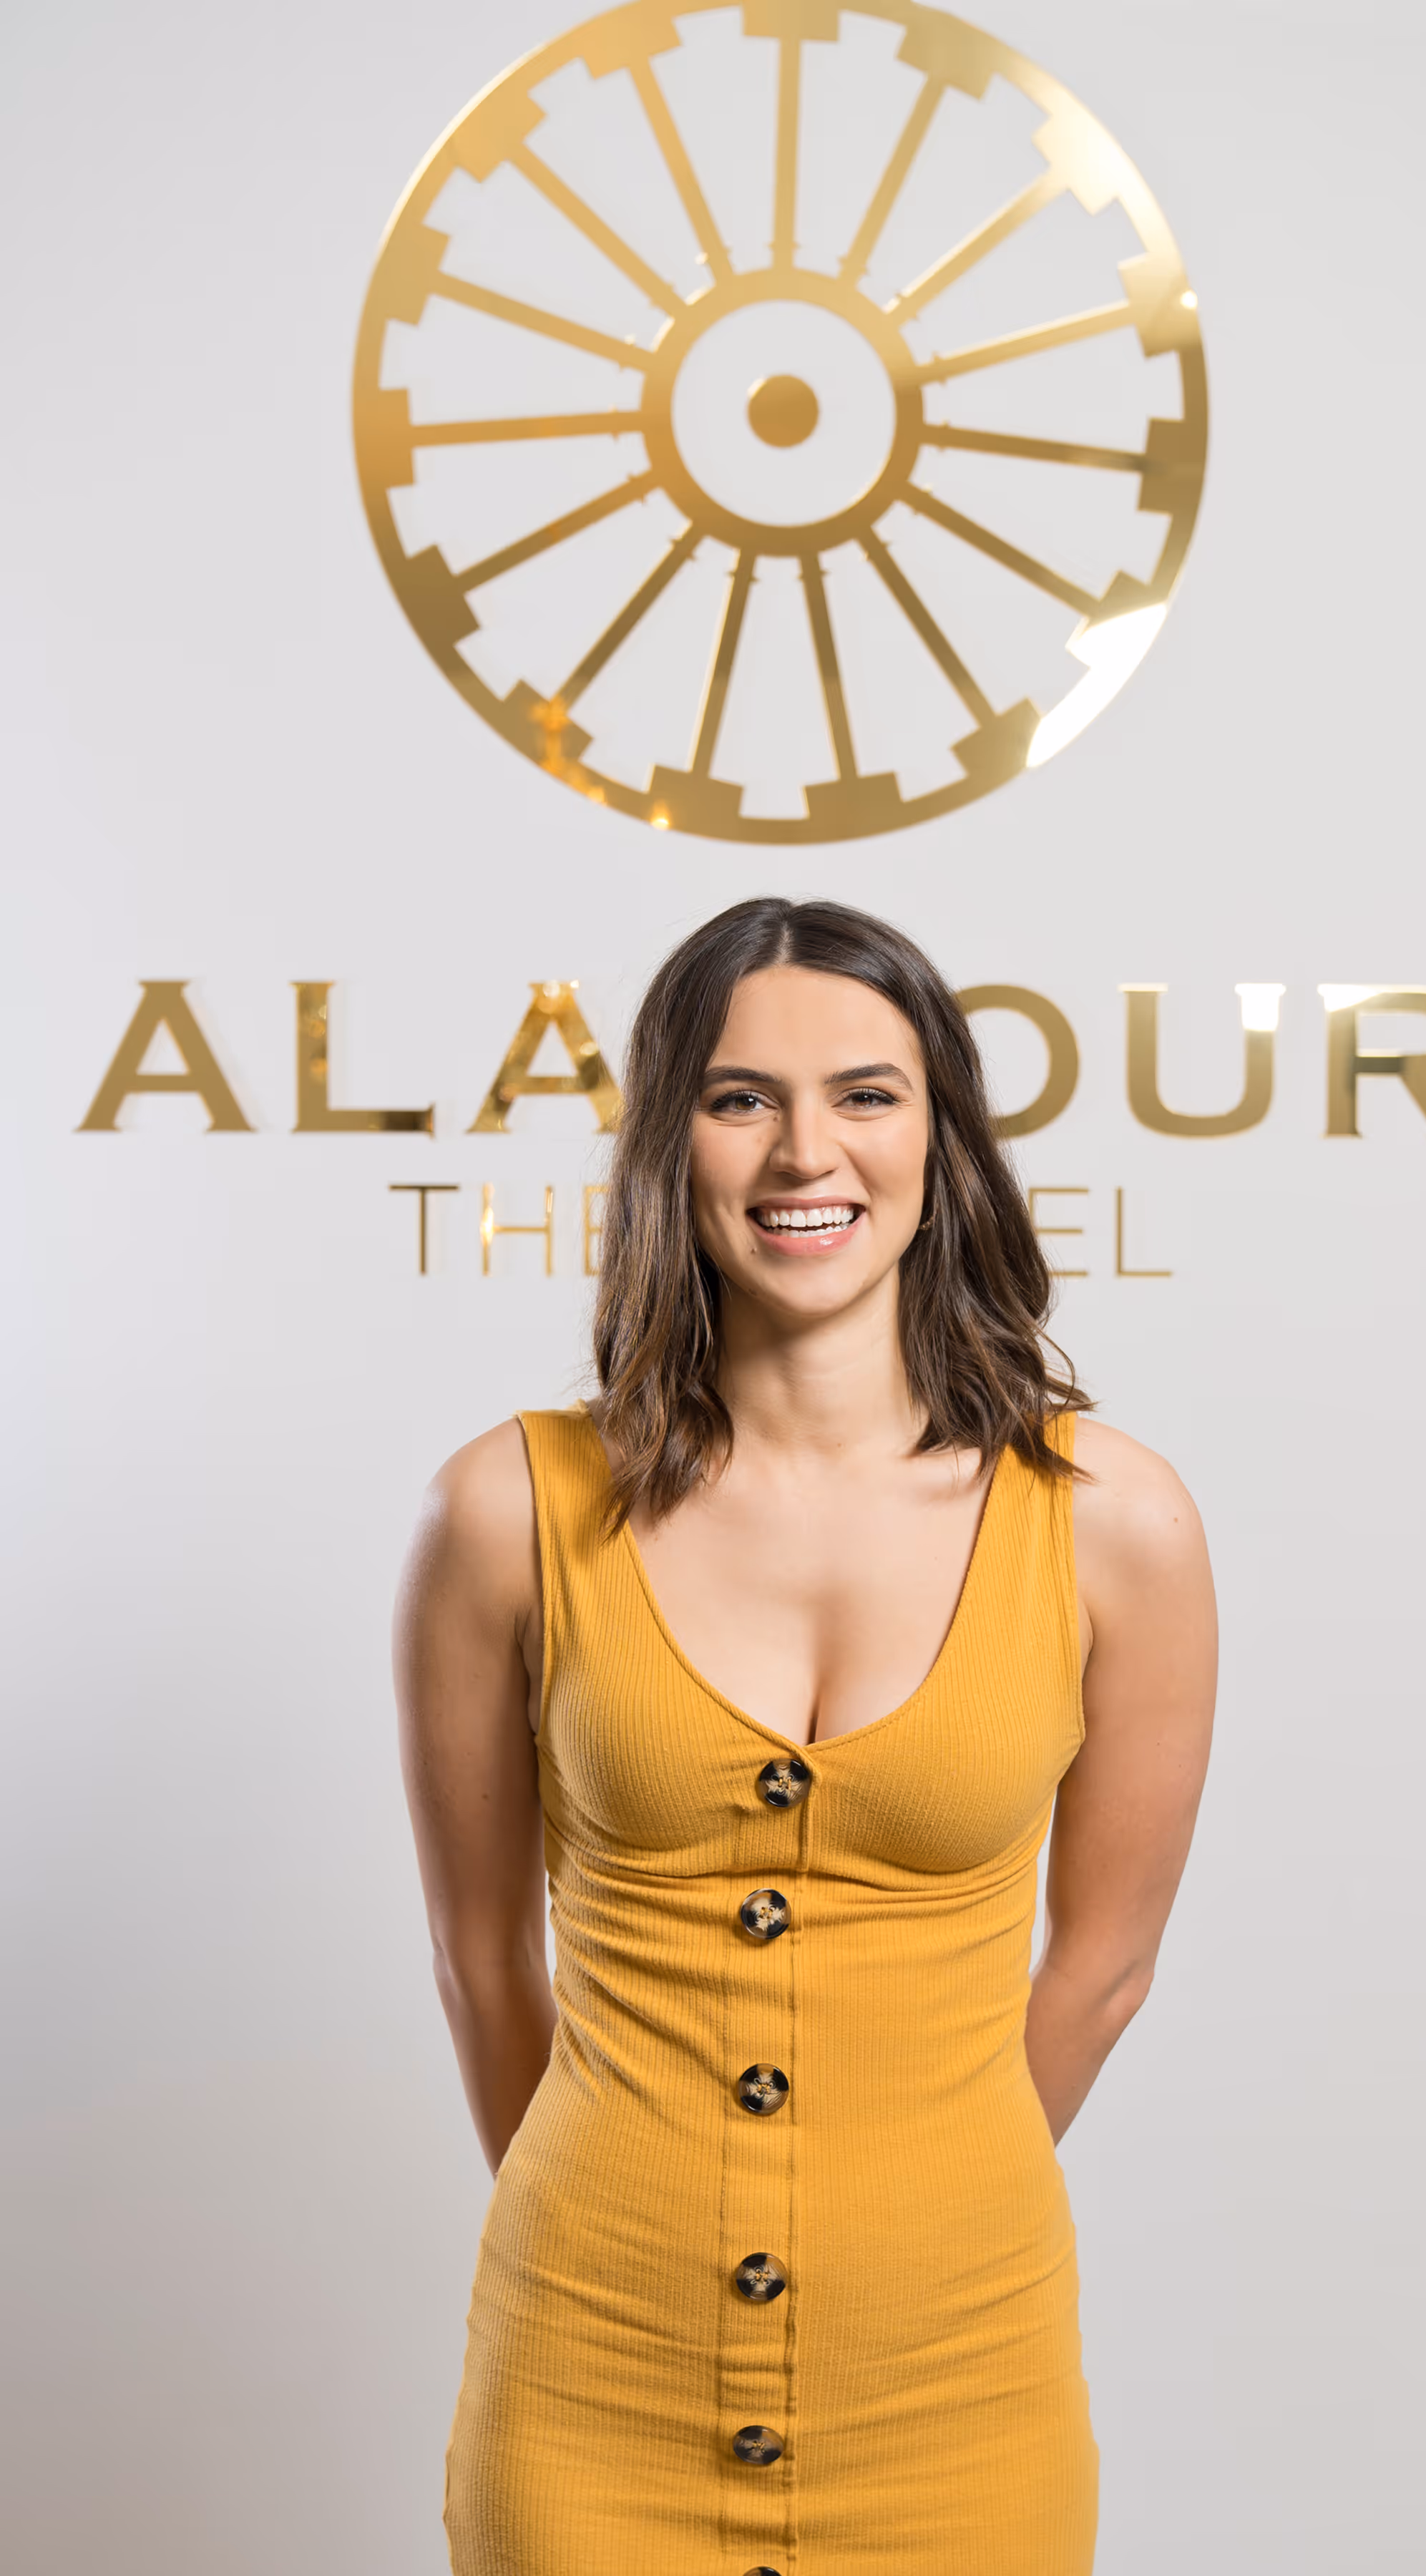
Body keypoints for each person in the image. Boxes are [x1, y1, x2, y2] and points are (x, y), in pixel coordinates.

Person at [393, 895, 1217, 2576]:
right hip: (587, 2370)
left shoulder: (1113, 1522)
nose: (802, 1153)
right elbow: (483, 1965)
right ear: (667, 1144)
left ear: (942, 1139)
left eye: (865, 1094)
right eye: (738, 1098)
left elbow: (1104, 1967)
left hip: (956, 2374)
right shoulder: (502, 1512)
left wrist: (904, 2210)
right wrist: (616, 2237)